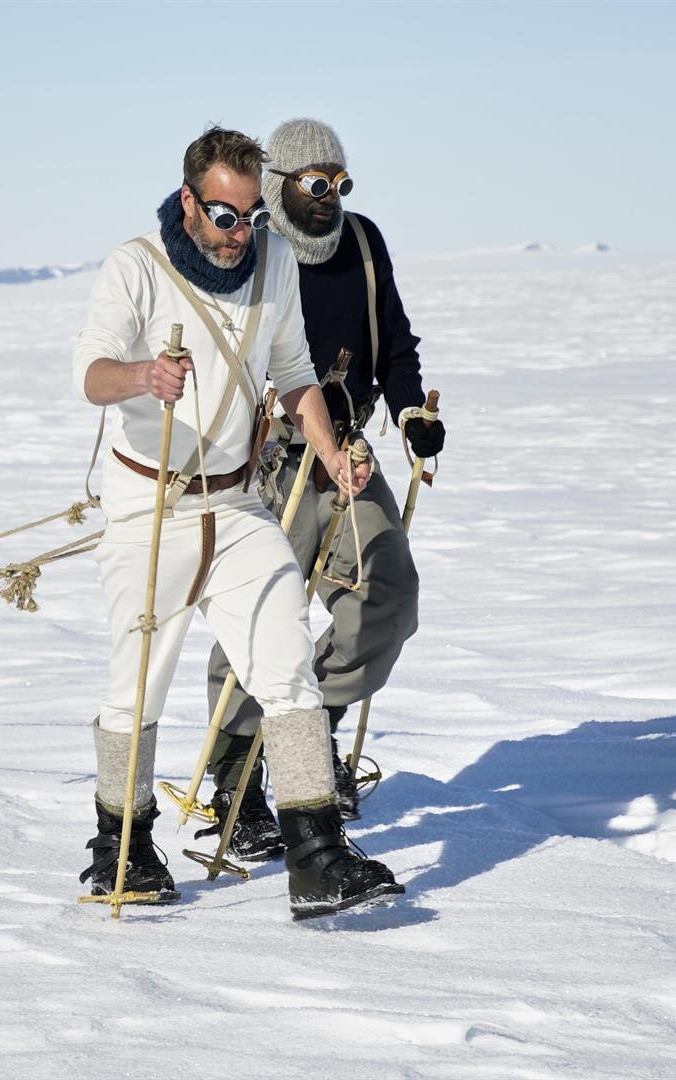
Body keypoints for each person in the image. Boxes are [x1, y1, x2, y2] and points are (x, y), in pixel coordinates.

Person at [72, 126, 403, 918]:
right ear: (189, 200)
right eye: (224, 216)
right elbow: (91, 377)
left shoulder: (274, 262)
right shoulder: (137, 268)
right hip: (150, 506)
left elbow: (293, 374)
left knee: (285, 666)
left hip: (237, 501)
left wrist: (330, 452)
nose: (239, 235)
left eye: (252, 217)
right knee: (137, 690)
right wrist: (142, 375)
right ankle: (120, 850)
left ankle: (316, 856)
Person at [201, 118, 446, 865]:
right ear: (280, 185)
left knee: (389, 593)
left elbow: (396, 342)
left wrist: (409, 411)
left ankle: (313, 737)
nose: (331, 199)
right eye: (316, 184)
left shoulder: (364, 245)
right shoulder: (253, 251)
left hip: (350, 455)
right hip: (265, 458)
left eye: (340, 184)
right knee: (257, 620)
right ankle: (237, 788)